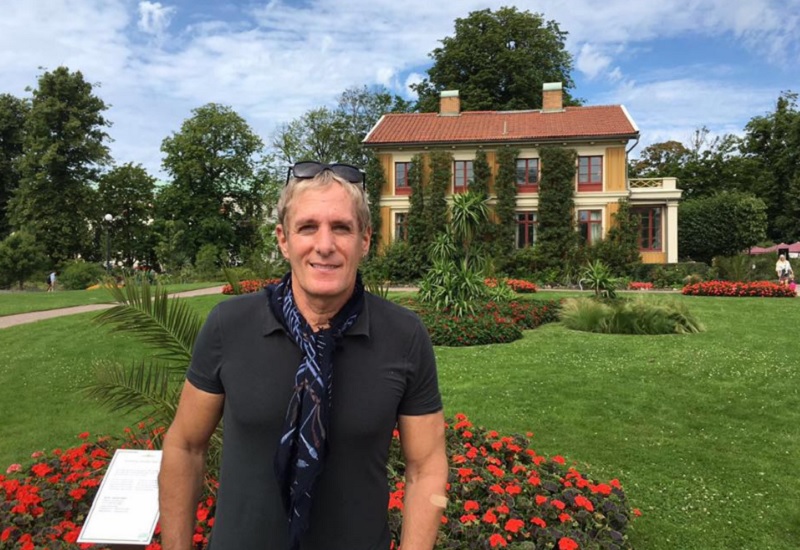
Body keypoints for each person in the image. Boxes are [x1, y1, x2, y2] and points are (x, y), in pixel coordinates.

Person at [158, 161, 448, 550]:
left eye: (341, 228)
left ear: (364, 239)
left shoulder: (403, 336)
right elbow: (185, 445)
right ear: (283, 240)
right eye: (308, 227)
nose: (324, 245)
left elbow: (425, 466)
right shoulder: (230, 325)